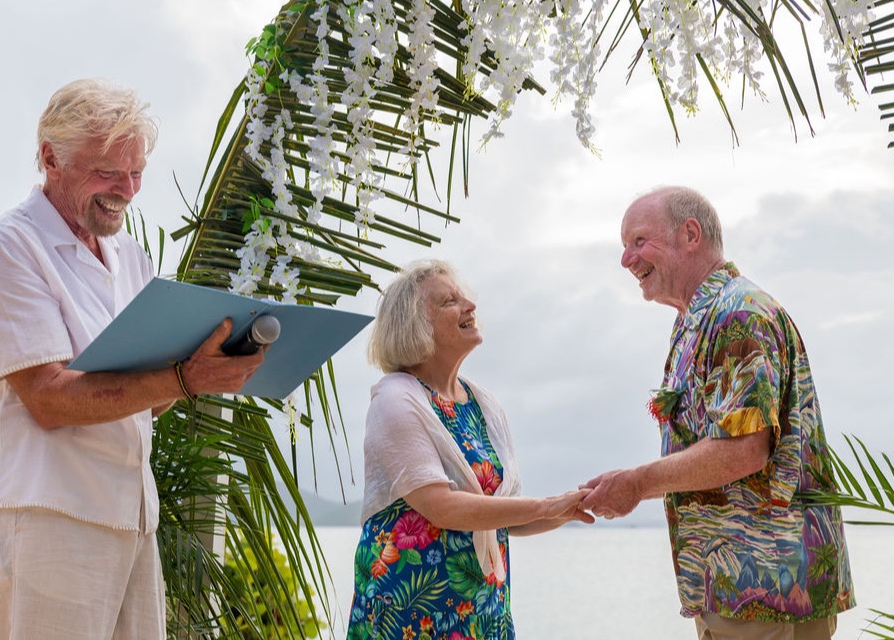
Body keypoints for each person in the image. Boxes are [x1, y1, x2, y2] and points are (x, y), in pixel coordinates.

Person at [0, 78, 266, 640]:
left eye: (137, 172)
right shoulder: (7, 247)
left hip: (132, 520)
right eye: (107, 172)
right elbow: (48, 397)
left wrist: (204, 370)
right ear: (51, 158)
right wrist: (183, 377)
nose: (127, 189)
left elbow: (146, 403)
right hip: (48, 515)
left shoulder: (130, 257)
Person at [581, 186, 855, 639]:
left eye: (638, 242)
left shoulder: (738, 314)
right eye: (624, 246)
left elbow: (744, 450)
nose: (626, 260)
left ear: (691, 234)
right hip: (737, 588)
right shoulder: (698, 320)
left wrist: (637, 483)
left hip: (767, 586)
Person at [345, 259, 593, 640]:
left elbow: (500, 516)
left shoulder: (482, 404)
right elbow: (441, 507)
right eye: (450, 302)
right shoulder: (395, 398)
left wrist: (569, 509)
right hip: (411, 613)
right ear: (415, 325)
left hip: (481, 611)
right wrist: (546, 505)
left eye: (465, 298)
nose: (470, 307)